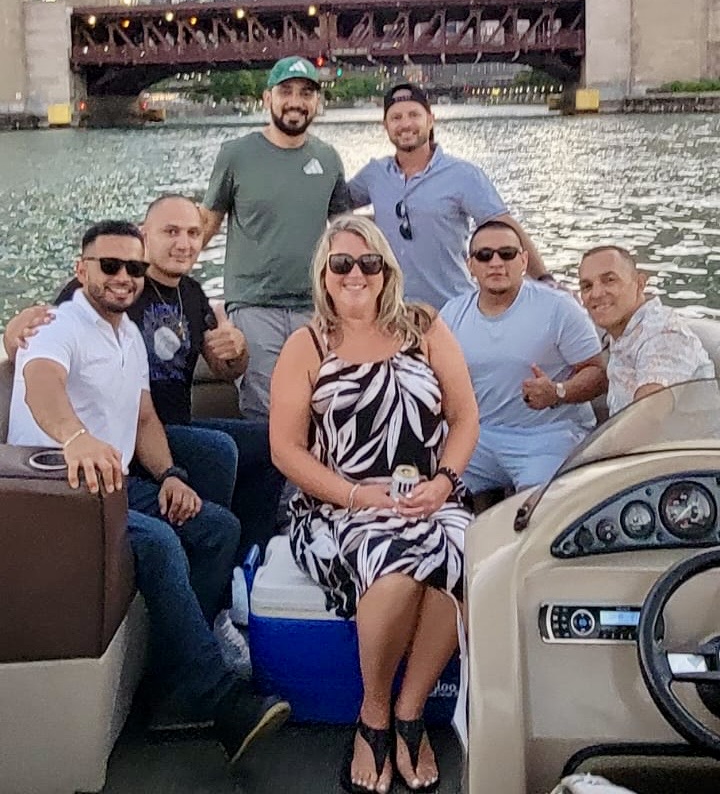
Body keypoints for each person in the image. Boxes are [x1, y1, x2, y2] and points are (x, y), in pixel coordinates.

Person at [6, 220, 290, 767]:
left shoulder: (127, 335)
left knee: (215, 527)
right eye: (109, 266)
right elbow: (41, 382)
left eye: (134, 268)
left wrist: (170, 477)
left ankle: (178, 679)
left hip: (112, 485)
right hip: (55, 489)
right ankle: (222, 702)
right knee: (158, 544)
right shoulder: (57, 326)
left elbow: (142, 419)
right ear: (81, 269)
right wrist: (76, 438)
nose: (123, 278)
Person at [270, 214, 479, 794]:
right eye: (342, 264)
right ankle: (374, 713)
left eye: (369, 263)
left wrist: (443, 482)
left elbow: (464, 419)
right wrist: (359, 495)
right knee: (392, 566)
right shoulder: (307, 344)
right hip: (339, 502)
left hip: (433, 495)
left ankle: (409, 711)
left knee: (463, 555)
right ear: (324, 275)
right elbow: (286, 451)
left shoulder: (425, 326)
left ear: (388, 271)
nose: (355, 274)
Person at [53, 194, 282, 562]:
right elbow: (46, 333)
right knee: (217, 450)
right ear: (145, 236)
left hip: (173, 427)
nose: (184, 243)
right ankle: (208, 558)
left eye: (193, 233)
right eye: (171, 231)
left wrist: (237, 352)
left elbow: (225, 371)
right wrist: (19, 327)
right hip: (125, 436)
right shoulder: (114, 285)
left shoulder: (192, 294)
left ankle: (249, 560)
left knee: (272, 442)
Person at [199, 55, 350, 421]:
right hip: (253, 308)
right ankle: (279, 482)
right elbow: (206, 223)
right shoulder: (235, 155)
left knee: (321, 408)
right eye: (286, 91)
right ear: (267, 98)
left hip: (313, 309)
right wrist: (152, 270)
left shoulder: (329, 159)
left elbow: (344, 234)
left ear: (317, 102)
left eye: (306, 93)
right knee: (266, 412)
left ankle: (312, 481)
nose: (296, 101)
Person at [347, 81, 551, 310]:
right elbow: (333, 206)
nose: (405, 124)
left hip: (452, 308)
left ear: (430, 120)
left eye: (414, 115)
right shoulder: (374, 174)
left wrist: (544, 279)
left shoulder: (462, 175)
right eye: (396, 118)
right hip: (392, 311)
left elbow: (505, 226)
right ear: (385, 126)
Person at [441, 220, 607, 496]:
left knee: (539, 515)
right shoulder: (451, 313)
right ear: (470, 266)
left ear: (523, 260)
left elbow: (599, 375)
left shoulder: (558, 308)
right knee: (430, 492)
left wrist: (558, 392)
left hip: (547, 436)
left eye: (506, 254)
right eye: (484, 255)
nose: (495, 262)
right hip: (477, 437)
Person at [578, 245, 714, 415]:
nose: (596, 293)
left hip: (681, 441)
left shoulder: (665, 335)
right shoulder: (623, 333)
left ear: (640, 283)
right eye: (587, 286)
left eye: (610, 280)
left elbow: (648, 416)